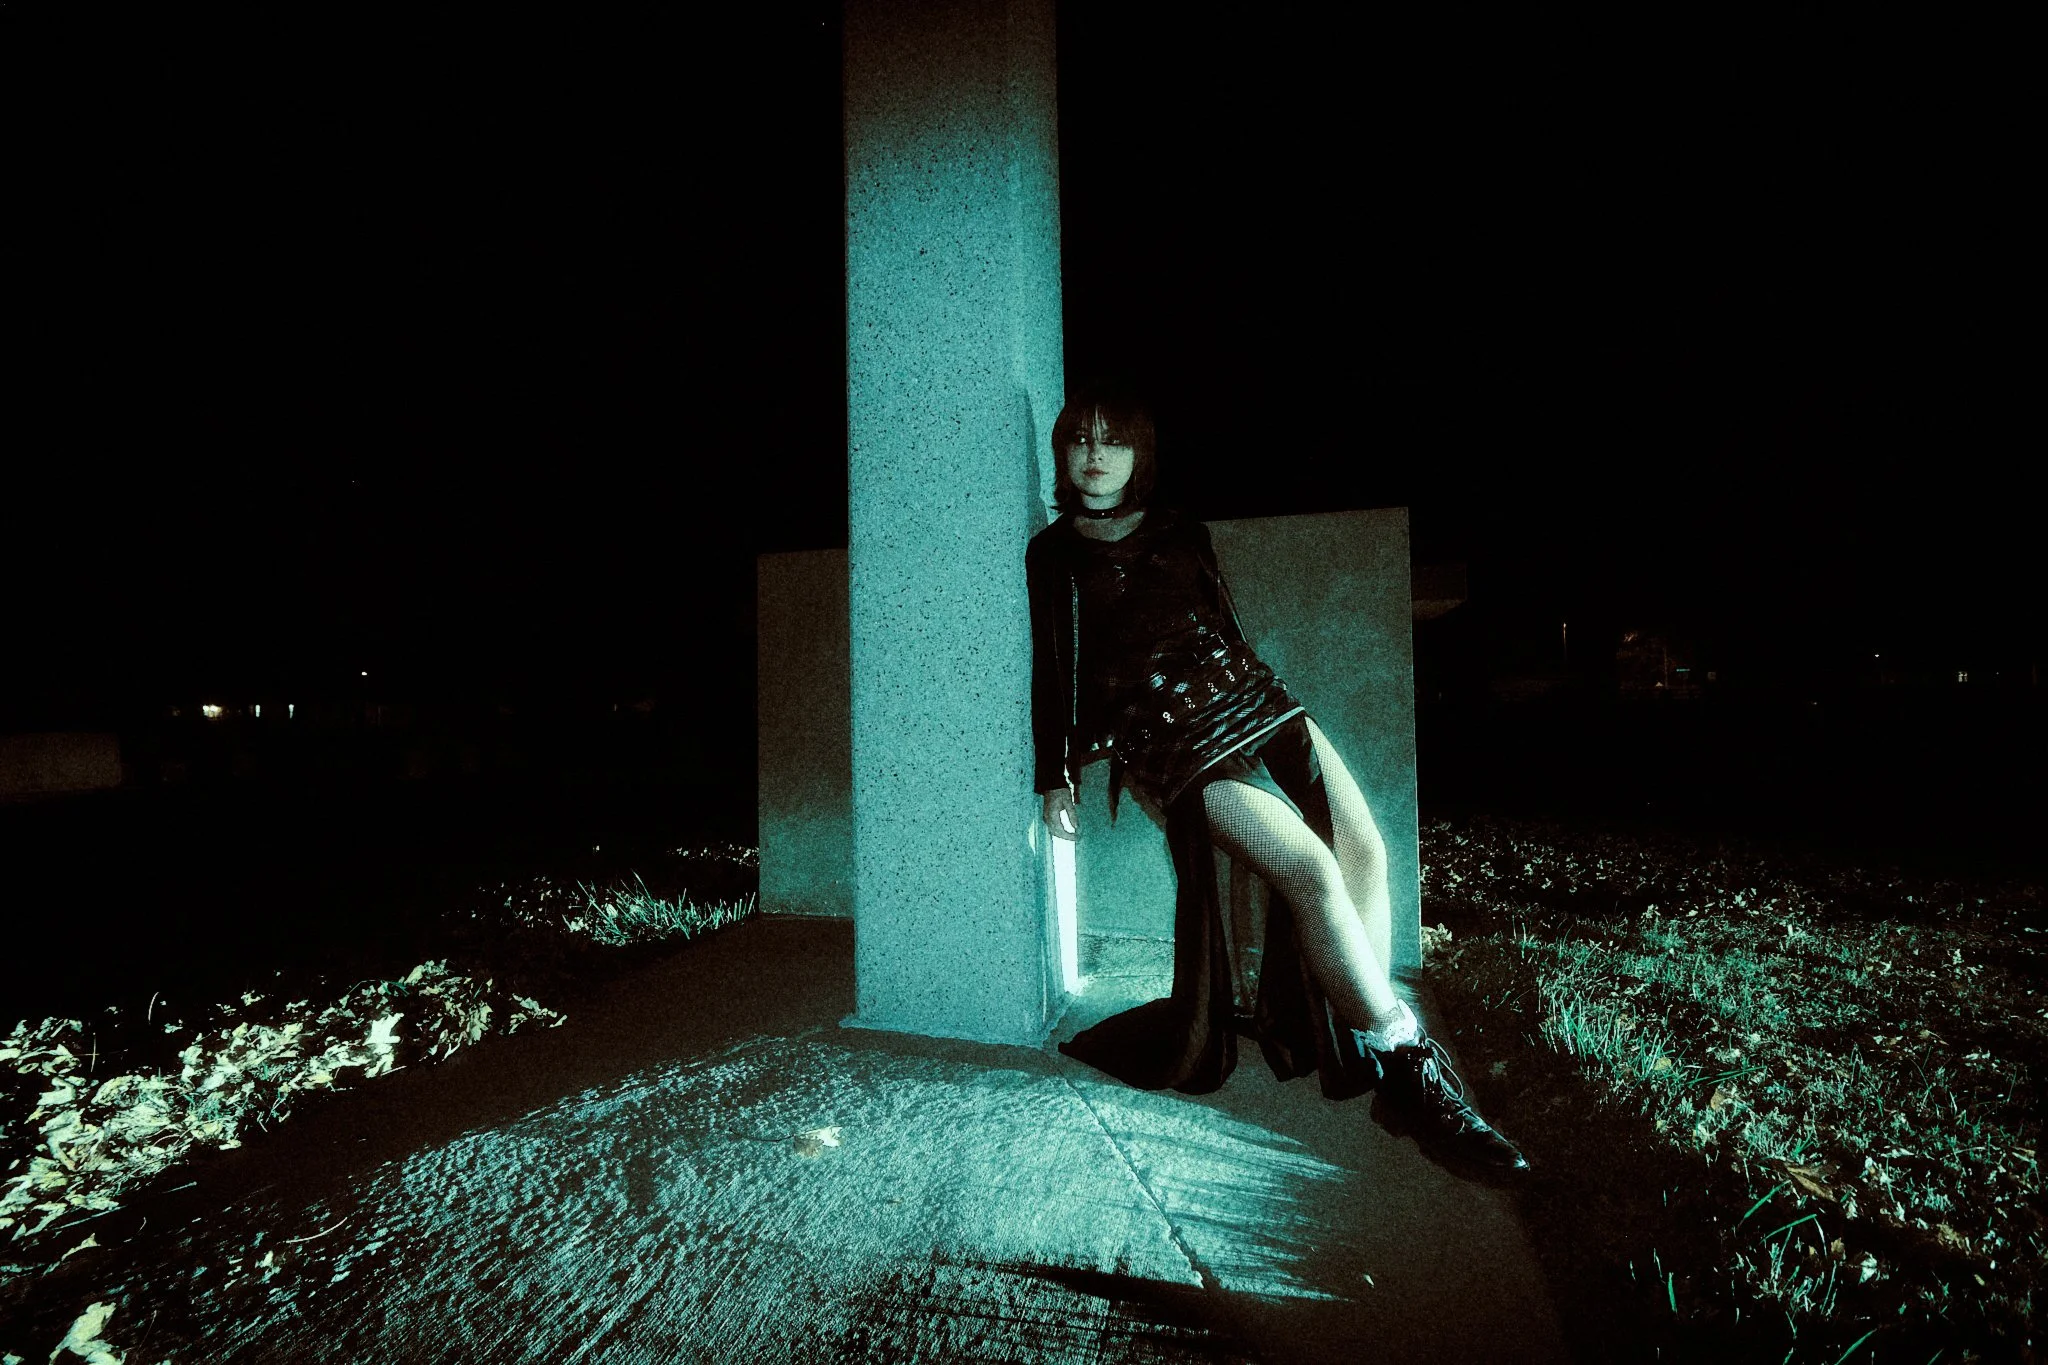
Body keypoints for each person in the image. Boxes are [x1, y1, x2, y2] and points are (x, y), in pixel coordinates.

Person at [1028, 383, 1526, 1172]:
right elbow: (1055, 667)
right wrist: (1055, 774)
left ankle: (1360, 1027)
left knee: (1365, 851)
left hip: (1256, 701)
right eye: (1080, 439)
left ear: (1139, 452)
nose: (1095, 455)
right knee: (1308, 866)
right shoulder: (1055, 553)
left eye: (1112, 439)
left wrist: (1272, 707)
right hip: (1172, 740)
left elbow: (1227, 627)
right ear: (1062, 453)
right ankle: (1410, 1067)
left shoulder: (1182, 530)